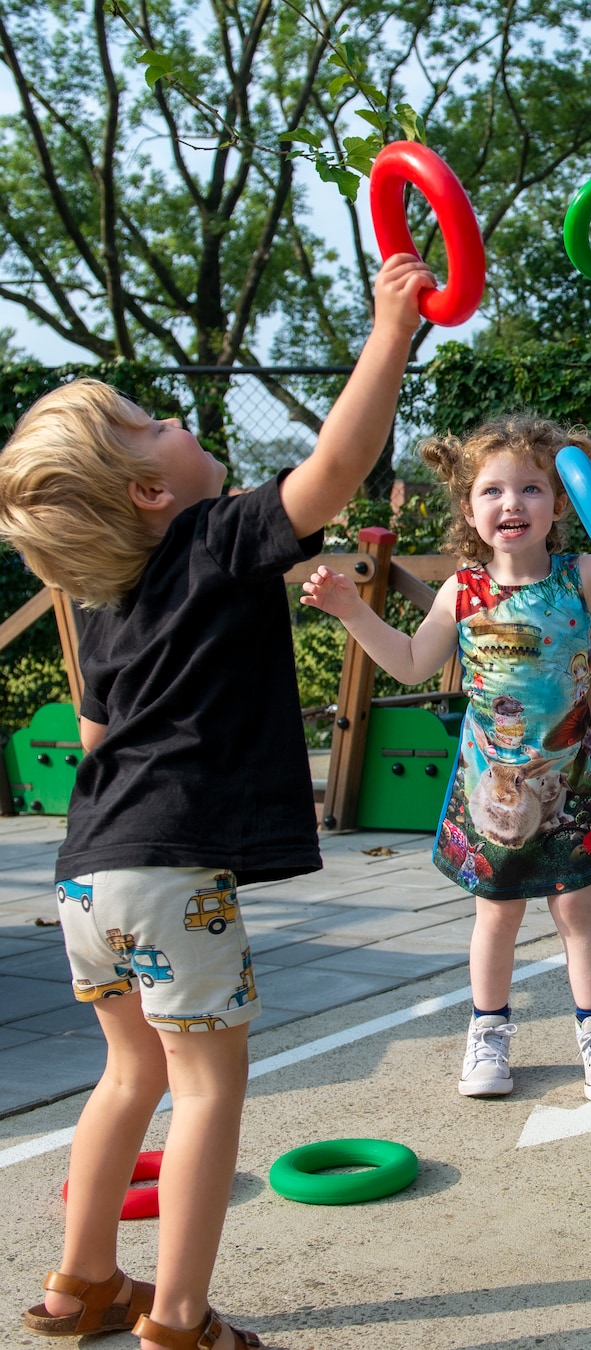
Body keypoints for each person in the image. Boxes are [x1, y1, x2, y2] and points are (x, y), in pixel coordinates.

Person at [1, 254, 435, 1349]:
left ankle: (81, 1285)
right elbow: (334, 470)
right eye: (152, 425)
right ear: (153, 493)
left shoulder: (103, 603)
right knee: (205, 1091)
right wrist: (391, 330)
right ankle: (183, 1321)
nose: (177, 422)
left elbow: (98, 733)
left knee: (127, 1073)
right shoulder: (214, 537)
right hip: (172, 872)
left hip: (87, 872)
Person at [300, 418, 591, 1101]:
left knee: (578, 910)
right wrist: (350, 614)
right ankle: (488, 1033)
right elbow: (407, 662)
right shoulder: (463, 591)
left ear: (561, 504)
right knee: (497, 914)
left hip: (569, 783)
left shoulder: (580, 576)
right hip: (492, 791)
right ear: (469, 508)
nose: (511, 502)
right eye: (492, 490)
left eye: (531, 488)